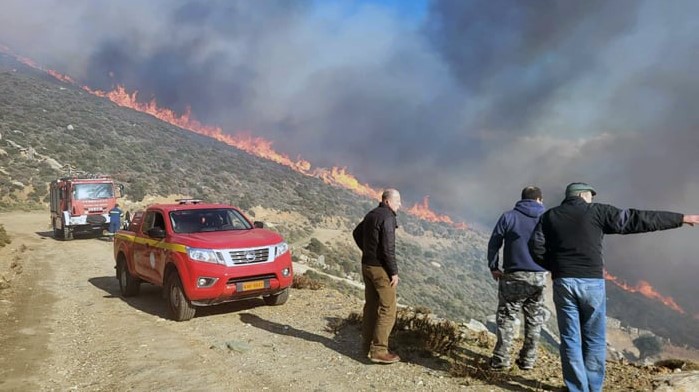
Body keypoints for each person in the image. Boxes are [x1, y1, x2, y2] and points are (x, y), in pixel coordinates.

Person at [528, 182, 699, 392]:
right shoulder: (597, 211)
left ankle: (576, 389)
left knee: (570, 338)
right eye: (590, 196)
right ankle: (593, 388)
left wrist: (556, 266)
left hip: (564, 282)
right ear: (583, 195)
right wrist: (680, 219)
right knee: (594, 338)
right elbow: (636, 219)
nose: (592, 199)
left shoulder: (550, 216)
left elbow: (535, 246)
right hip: (592, 283)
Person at [487, 186, 547, 371]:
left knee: (507, 318)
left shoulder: (509, 216)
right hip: (538, 277)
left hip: (513, 276)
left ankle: (501, 361)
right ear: (539, 199)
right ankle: (528, 360)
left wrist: (493, 266)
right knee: (534, 319)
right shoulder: (548, 218)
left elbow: (494, 242)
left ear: (522, 199)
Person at [352, 189, 402, 364]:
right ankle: (379, 350)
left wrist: (367, 251)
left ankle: (365, 346)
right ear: (387, 201)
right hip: (380, 269)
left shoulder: (372, 214)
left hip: (367, 265)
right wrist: (393, 272)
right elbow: (388, 248)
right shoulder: (388, 217)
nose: (400, 205)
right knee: (388, 309)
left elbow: (356, 233)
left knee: (371, 305)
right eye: (397, 201)